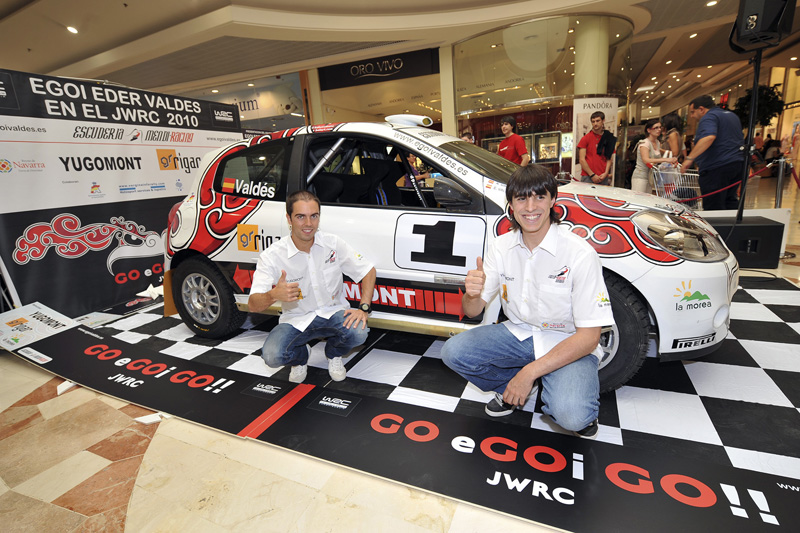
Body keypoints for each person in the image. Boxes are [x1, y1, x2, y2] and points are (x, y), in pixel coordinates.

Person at [441, 165, 614, 438]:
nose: (530, 207)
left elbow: (589, 337)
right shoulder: (501, 246)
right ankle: (509, 388)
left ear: (553, 200)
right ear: (511, 205)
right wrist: (471, 294)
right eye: (521, 198)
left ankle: (549, 388)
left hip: (567, 341)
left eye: (539, 197)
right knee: (453, 352)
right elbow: (472, 311)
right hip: (519, 334)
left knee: (573, 416)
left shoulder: (579, 253)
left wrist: (529, 372)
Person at [248, 190, 377, 383]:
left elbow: (367, 270)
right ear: (289, 219)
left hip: (333, 313)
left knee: (359, 332)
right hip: (295, 320)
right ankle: (301, 357)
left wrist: (364, 307)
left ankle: (334, 354)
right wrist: (273, 295)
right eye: (301, 217)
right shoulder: (272, 256)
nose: (308, 223)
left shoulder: (332, 243)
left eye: (314, 216)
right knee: (272, 356)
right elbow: (253, 304)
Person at [683, 95, 745, 210]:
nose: (692, 116)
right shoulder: (732, 116)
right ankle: (731, 222)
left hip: (717, 167)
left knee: (713, 205)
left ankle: (717, 223)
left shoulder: (709, 117)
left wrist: (689, 159)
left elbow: (708, 137)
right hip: (736, 164)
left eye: (692, 112)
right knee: (730, 200)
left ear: (701, 109)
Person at [631, 119, 678, 193]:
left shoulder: (657, 142)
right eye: (656, 128)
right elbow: (646, 160)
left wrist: (668, 162)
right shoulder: (645, 143)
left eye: (660, 127)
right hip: (640, 176)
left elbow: (656, 160)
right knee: (638, 197)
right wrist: (666, 160)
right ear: (649, 130)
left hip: (651, 176)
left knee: (647, 198)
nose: (659, 130)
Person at [578, 111, 616, 185]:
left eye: (598, 121)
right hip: (588, 176)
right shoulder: (586, 138)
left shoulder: (608, 138)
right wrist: (592, 175)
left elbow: (609, 158)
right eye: (593, 121)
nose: (595, 123)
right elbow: (582, 160)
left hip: (603, 176)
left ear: (603, 121)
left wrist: (606, 173)